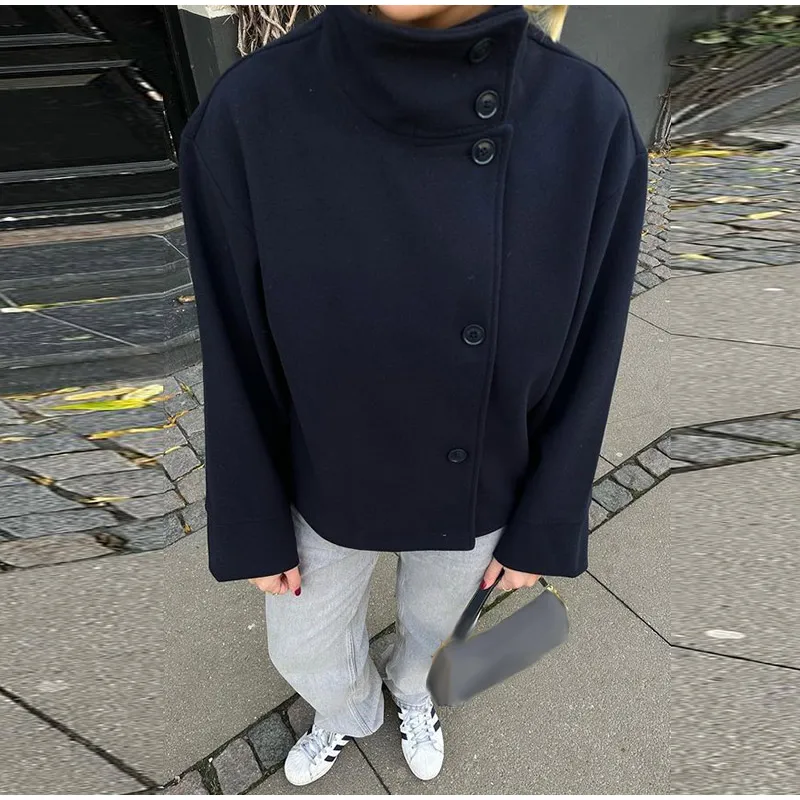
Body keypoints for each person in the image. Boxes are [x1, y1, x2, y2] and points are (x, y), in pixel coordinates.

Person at [178, 3, 647, 787]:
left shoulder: (587, 119)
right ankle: (348, 712)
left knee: (440, 637)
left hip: (482, 476)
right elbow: (231, 346)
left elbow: (592, 351)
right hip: (322, 472)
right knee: (301, 650)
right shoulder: (251, 110)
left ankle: (414, 692)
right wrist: (251, 522)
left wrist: (545, 526)